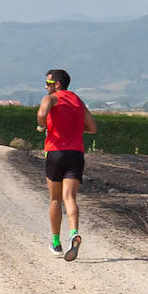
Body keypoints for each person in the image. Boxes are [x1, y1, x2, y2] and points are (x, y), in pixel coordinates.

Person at [36, 69, 96, 261]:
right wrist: (74, 129)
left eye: (48, 82)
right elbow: (92, 128)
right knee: (70, 197)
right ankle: (73, 233)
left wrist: (42, 125)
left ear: (57, 84)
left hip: (55, 152)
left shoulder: (52, 98)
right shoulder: (78, 100)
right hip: (76, 153)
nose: (46, 86)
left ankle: (56, 243)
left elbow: (41, 113)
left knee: (55, 199)